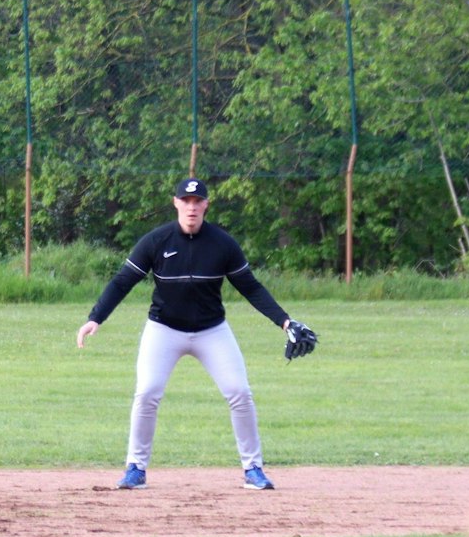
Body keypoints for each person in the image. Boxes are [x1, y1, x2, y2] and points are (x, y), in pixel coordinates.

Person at [75, 176, 312, 491]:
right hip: (164, 329)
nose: (191, 207)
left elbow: (251, 288)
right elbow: (123, 281)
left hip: (211, 330)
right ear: (175, 203)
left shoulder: (222, 244)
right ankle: (135, 467)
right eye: (185, 201)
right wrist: (96, 318)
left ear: (205, 205)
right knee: (147, 393)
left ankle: (253, 468)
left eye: (197, 201)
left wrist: (285, 322)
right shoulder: (156, 241)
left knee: (240, 393)